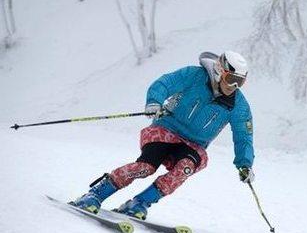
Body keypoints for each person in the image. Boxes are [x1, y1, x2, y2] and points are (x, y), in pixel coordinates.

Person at [71, 51, 255, 220]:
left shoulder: (239, 105)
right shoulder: (195, 75)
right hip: (166, 129)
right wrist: (154, 102)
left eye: (240, 82)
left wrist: (245, 164)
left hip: (193, 145)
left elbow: (243, 136)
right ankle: (95, 194)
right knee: (146, 167)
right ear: (219, 70)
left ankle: (139, 203)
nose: (234, 86)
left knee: (185, 168)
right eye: (231, 79)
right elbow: (165, 83)